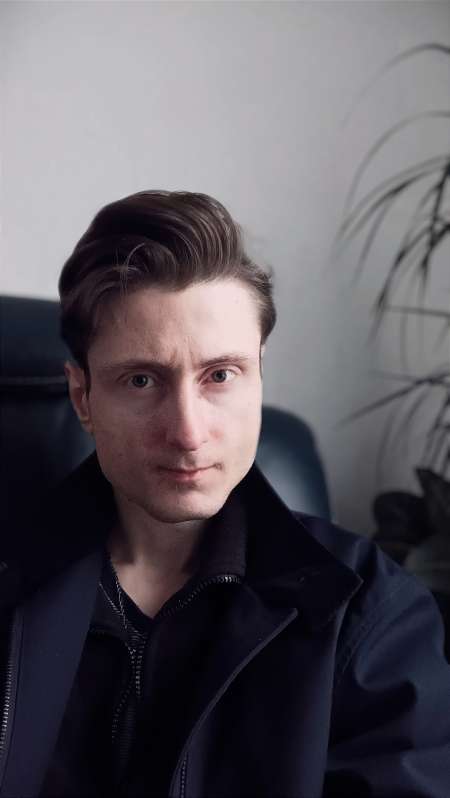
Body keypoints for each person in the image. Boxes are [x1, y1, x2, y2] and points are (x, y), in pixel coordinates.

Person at [0, 190, 449, 798]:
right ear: (82, 397)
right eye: (141, 380)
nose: (188, 432)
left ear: (258, 373)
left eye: (220, 375)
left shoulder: (372, 614)